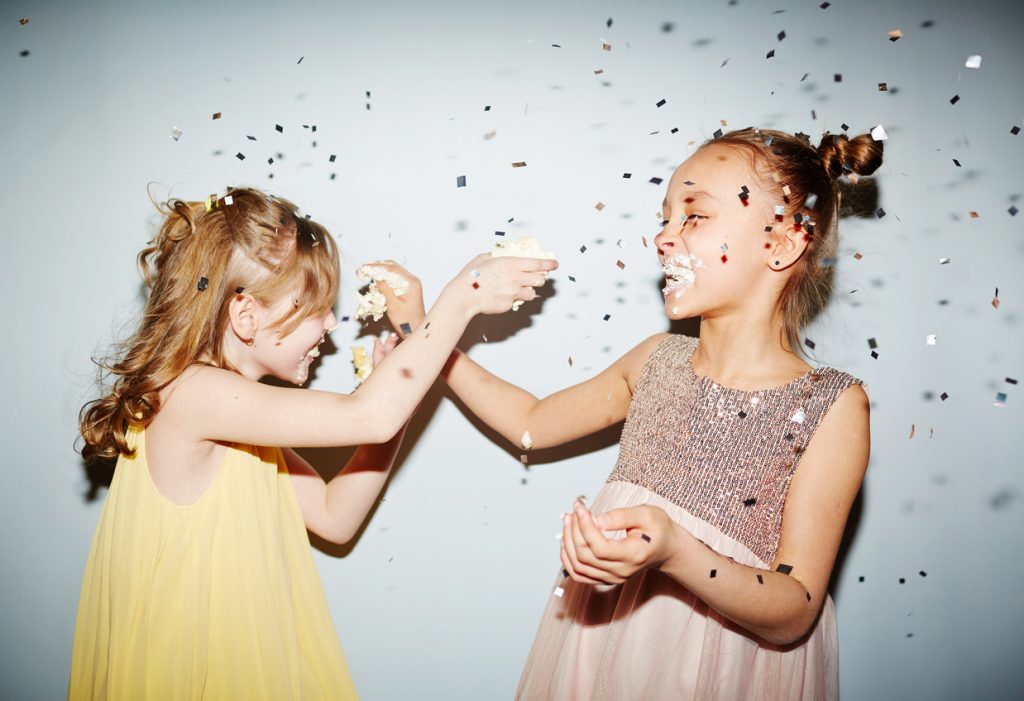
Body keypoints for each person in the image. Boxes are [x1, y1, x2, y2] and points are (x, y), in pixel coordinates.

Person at [373, 127, 882, 700]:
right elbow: (532, 422)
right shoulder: (655, 361)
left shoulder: (833, 405)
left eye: (693, 216)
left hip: (723, 673)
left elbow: (796, 608)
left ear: (783, 244)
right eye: (664, 218)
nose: (663, 238)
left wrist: (677, 550)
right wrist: (425, 331)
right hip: (608, 651)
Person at [69, 186, 557, 700]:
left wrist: (401, 399)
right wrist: (463, 296)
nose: (330, 324)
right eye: (317, 308)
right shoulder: (194, 395)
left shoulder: (240, 423)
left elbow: (334, 516)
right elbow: (369, 415)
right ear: (246, 316)